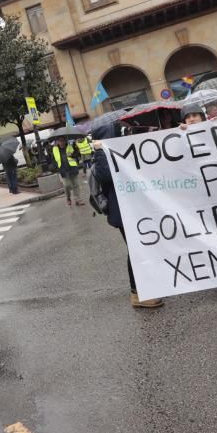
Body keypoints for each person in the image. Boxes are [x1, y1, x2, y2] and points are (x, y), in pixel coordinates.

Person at [89, 124, 163, 309]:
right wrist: (101, 151)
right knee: (136, 251)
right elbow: (106, 175)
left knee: (142, 248)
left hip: (131, 209)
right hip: (122, 212)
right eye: (116, 131)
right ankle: (137, 294)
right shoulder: (102, 153)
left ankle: (146, 288)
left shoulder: (117, 150)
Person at [52, 137, 84, 207]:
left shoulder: (70, 146)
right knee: (67, 185)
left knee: (76, 184)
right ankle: (68, 198)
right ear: (57, 141)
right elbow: (53, 160)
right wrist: (57, 168)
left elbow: (77, 155)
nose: (62, 142)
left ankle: (78, 200)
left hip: (72, 168)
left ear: (65, 141)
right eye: (60, 141)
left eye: (63, 140)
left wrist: (72, 154)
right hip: (63, 170)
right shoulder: (55, 149)